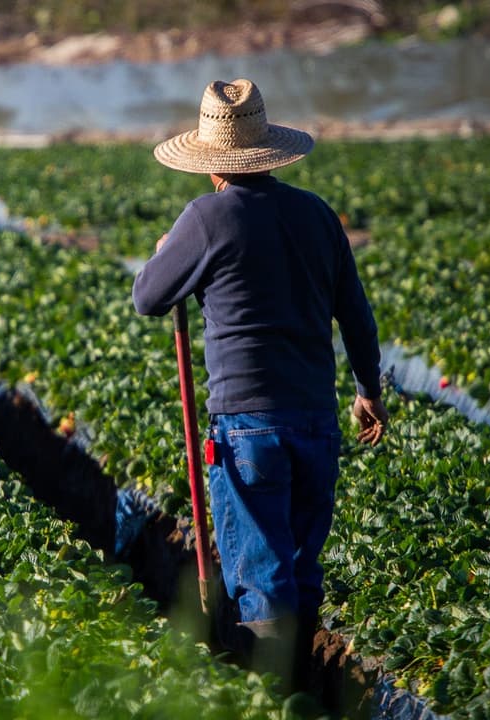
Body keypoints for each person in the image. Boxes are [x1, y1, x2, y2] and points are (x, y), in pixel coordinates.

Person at [131, 79, 388, 692]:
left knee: (263, 583)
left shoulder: (206, 217)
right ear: (268, 151)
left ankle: (273, 697)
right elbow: (356, 315)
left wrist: (167, 252)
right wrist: (368, 392)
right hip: (317, 423)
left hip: (248, 431)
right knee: (300, 571)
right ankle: (306, 691)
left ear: (211, 162)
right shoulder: (317, 214)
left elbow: (147, 296)